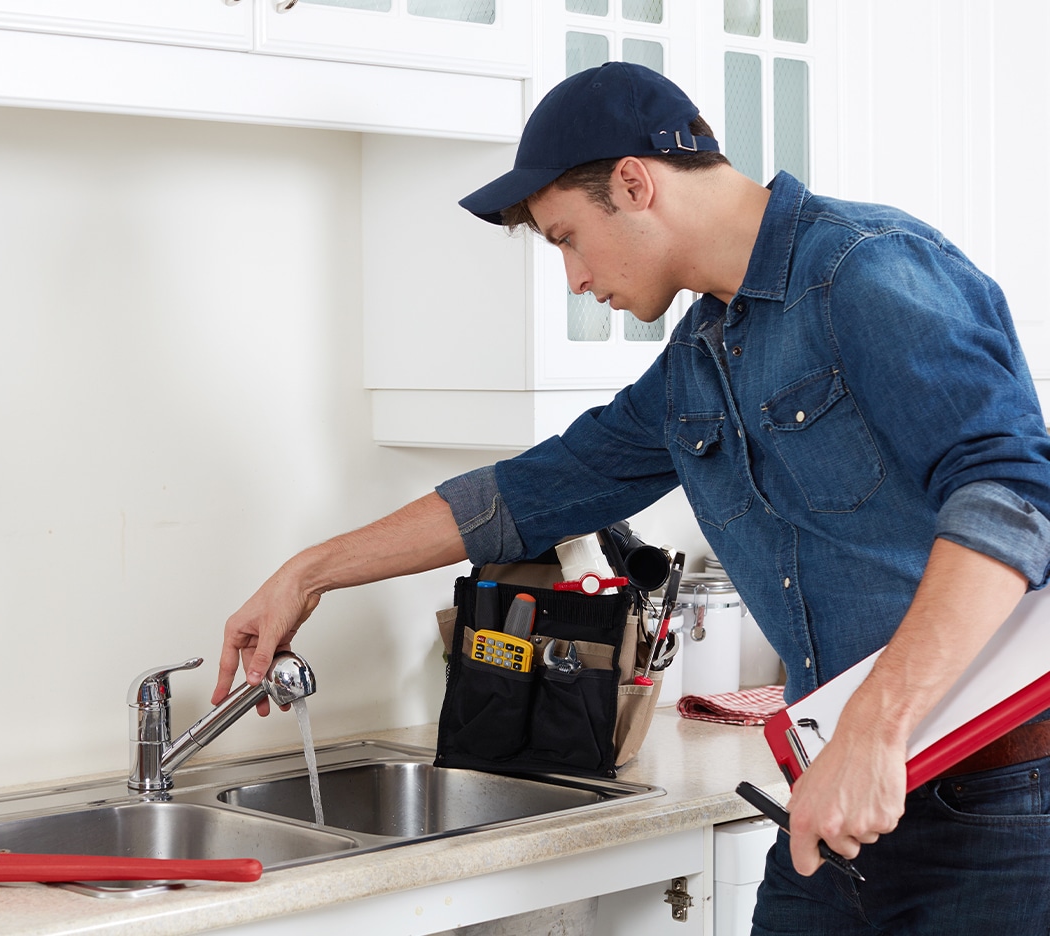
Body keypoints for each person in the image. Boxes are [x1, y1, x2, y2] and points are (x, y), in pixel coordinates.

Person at [214, 62, 1050, 933]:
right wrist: (308, 573)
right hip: (835, 795)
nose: (574, 278)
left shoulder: (866, 272)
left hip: (996, 806)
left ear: (634, 182)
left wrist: (877, 729)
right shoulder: (703, 354)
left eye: (566, 237)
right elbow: (529, 492)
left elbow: (1014, 497)